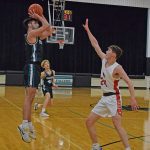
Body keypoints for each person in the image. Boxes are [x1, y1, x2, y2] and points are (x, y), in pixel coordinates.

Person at [83, 18, 139, 150]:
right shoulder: (104, 60)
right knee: (89, 121)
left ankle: (127, 148)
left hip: (114, 98)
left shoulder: (117, 68)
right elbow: (95, 44)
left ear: (113, 54)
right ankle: (96, 146)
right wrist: (88, 30)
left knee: (117, 124)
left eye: (108, 50)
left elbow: (130, 83)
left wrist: (133, 98)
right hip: (104, 98)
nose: (106, 51)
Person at [17, 10, 53, 143]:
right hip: (32, 66)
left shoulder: (38, 37)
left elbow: (48, 29)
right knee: (29, 97)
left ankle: (29, 123)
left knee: (31, 98)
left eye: (36, 22)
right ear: (29, 25)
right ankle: (23, 124)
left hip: (35, 68)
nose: (36, 23)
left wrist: (40, 15)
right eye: (33, 22)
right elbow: (46, 25)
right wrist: (39, 15)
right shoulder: (31, 34)